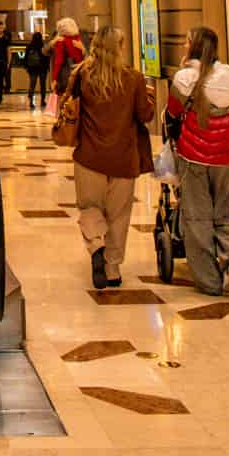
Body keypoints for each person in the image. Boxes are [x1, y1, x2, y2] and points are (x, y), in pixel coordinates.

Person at [167, 26, 229, 296]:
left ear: (192, 46)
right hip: (226, 158)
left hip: (193, 158)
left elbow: (172, 113)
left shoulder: (185, 79)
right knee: (226, 212)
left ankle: (208, 281)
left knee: (197, 218)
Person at [71, 25, 155, 289]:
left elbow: (68, 104)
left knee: (89, 207)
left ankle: (97, 245)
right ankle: (112, 268)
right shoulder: (133, 78)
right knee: (118, 214)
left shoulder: (83, 75)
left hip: (89, 156)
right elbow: (145, 115)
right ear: (119, 47)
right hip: (123, 157)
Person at [47, 16, 85, 95]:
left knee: (64, 103)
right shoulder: (78, 39)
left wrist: (54, 79)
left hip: (66, 78)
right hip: (80, 76)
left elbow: (58, 62)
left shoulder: (61, 41)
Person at [23, 29, 49, 110]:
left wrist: (27, 67)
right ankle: (42, 101)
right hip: (42, 68)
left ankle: (31, 102)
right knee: (43, 85)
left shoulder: (29, 46)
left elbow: (25, 58)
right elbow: (47, 58)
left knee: (32, 85)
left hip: (32, 68)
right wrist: (48, 67)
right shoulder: (43, 46)